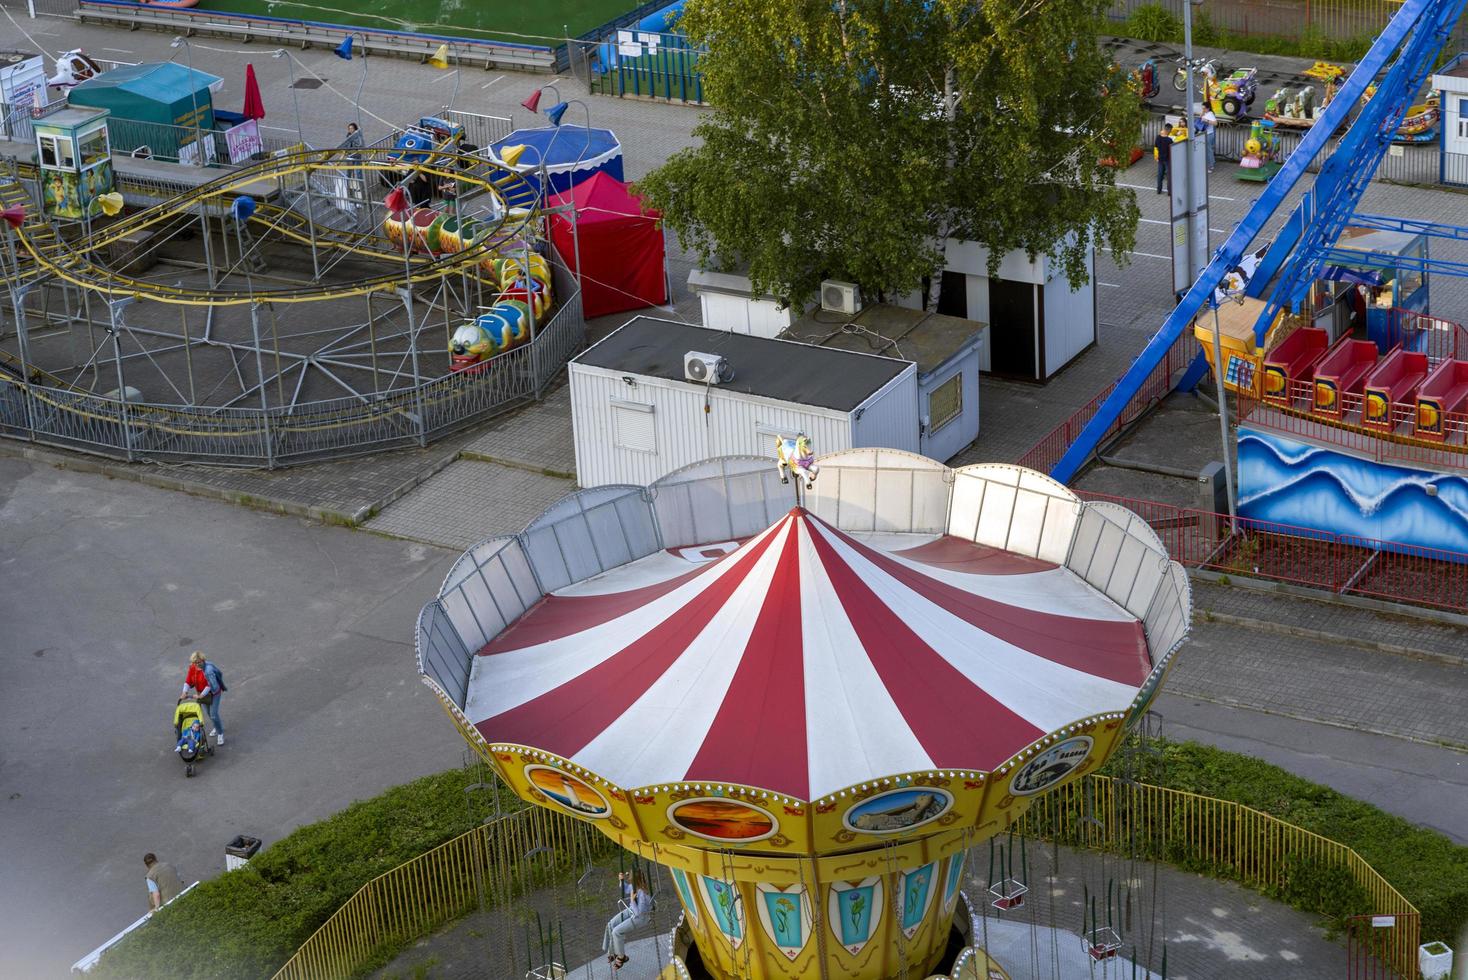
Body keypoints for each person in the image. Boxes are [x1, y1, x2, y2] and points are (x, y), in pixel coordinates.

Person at [603, 871, 653, 970]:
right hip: (631, 911)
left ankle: (622, 957)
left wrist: (632, 900)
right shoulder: (634, 887)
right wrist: (622, 880)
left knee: (616, 932)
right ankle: (612, 952)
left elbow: (638, 913)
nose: (630, 883)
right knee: (610, 925)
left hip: (640, 918)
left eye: (630, 880)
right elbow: (626, 889)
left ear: (636, 881)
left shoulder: (643, 894)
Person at [181, 651, 227, 745]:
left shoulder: (208, 670)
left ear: (203, 660)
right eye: (195, 662)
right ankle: (217, 726)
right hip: (202, 694)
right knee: (209, 713)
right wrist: (184, 691)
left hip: (214, 694)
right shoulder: (192, 667)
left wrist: (201, 695)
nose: (197, 664)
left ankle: (220, 733)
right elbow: (188, 680)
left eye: (199, 662)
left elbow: (210, 685)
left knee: (213, 714)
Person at [1153, 123, 1173, 195]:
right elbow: (1171, 150)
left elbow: (1156, 147)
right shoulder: (1169, 140)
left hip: (1160, 159)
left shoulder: (1158, 137)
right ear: (1169, 130)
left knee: (1160, 175)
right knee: (1169, 176)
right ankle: (1169, 192)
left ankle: (1159, 190)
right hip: (1167, 160)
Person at [1199, 106, 1218, 172]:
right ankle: (1210, 164)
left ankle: (1211, 166)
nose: (1203, 109)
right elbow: (1200, 117)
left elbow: (1215, 123)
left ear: (1208, 108)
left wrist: (1206, 120)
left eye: (1204, 108)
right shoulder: (1206, 113)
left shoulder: (1210, 114)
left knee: (1209, 150)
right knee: (1208, 150)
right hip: (1206, 133)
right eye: (1202, 108)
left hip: (1209, 134)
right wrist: (1202, 113)